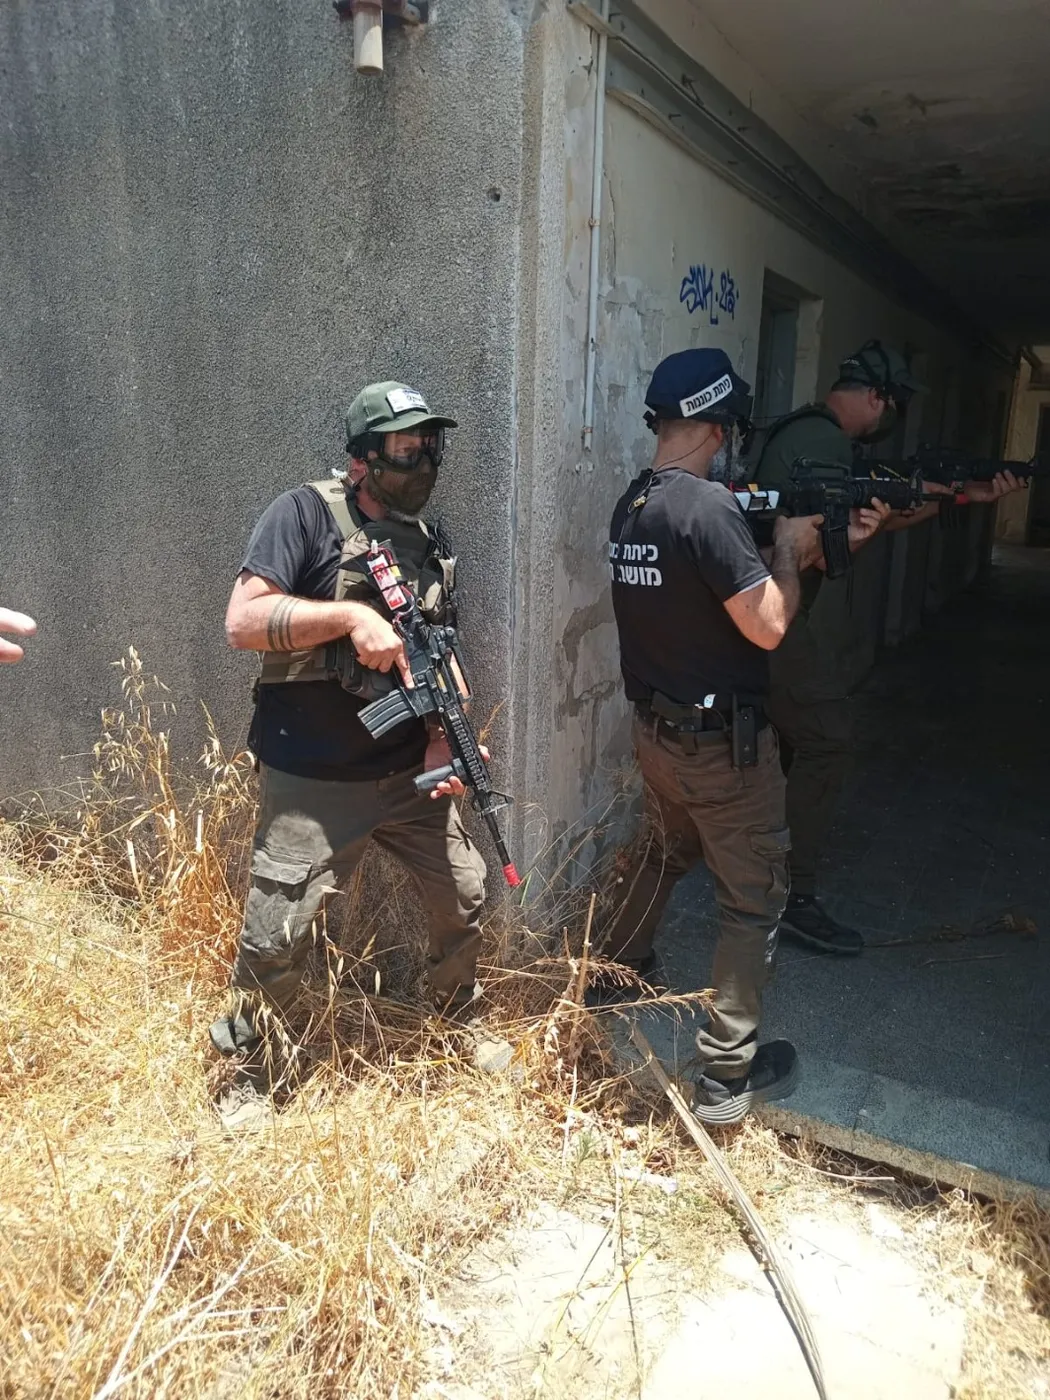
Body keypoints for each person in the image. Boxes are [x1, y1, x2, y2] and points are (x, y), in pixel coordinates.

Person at [210, 380, 488, 1130]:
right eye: (405, 447)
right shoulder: (303, 514)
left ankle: (454, 1018)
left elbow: (442, 657)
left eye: (430, 445)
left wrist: (447, 738)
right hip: (314, 779)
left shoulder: (429, 545)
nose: (422, 461)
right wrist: (348, 620)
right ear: (362, 458)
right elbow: (242, 621)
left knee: (465, 893)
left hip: (406, 775)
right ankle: (248, 1070)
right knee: (277, 930)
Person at [600, 347, 826, 1124]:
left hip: (660, 738)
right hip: (724, 751)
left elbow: (704, 588)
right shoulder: (706, 508)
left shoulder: (636, 504)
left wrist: (769, 550)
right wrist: (790, 553)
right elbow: (767, 626)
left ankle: (614, 973)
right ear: (717, 424)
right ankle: (727, 1074)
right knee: (753, 898)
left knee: (663, 851)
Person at [753, 340, 1023, 955]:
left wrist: (963, 493)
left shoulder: (814, 435)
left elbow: (882, 508)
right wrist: (874, 526)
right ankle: (792, 896)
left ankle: (765, 866)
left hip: (767, 609)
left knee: (794, 739)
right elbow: (827, 546)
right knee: (828, 737)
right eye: (893, 404)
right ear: (877, 398)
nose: (891, 416)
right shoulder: (824, 443)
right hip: (771, 615)